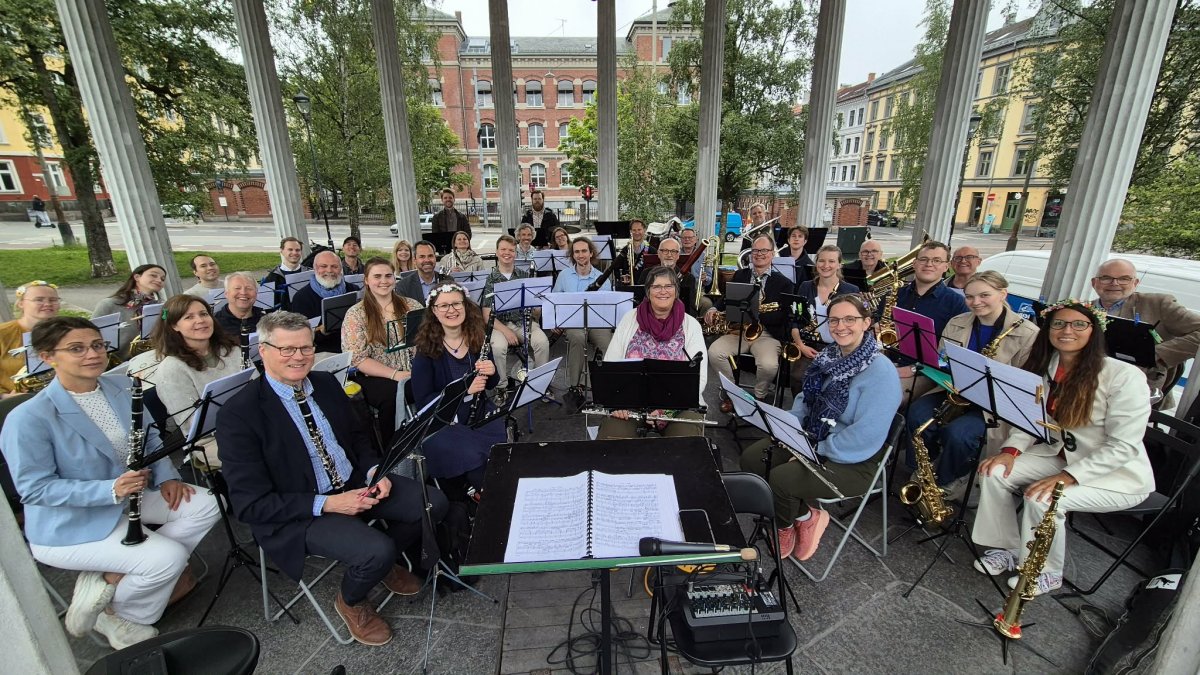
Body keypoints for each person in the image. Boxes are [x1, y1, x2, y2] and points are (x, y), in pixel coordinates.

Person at [218, 311, 445, 646]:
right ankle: (351, 600)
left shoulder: (324, 383)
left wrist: (373, 472)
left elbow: (358, 438)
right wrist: (329, 504)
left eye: (306, 348)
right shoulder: (239, 414)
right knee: (376, 550)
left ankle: (381, 565)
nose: (299, 357)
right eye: (287, 349)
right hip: (300, 511)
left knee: (433, 504)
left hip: (352, 482)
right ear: (263, 351)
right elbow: (251, 505)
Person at [2, 316, 219, 650]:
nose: (92, 354)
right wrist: (109, 489)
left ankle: (114, 588)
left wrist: (167, 477)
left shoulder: (121, 387)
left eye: (97, 345)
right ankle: (125, 616)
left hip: (132, 493)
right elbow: (35, 488)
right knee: (168, 559)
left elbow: (151, 441)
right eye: (77, 348)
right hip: (71, 523)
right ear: (47, 356)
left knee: (208, 504)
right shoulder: (28, 418)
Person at [972, 300, 1154, 596]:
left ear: (1093, 331)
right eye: (1058, 324)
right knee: (995, 472)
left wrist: (1068, 477)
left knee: (1042, 498)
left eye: (1078, 324)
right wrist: (1011, 451)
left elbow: (1123, 446)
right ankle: (1007, 548)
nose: (1067, 330)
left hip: (1117, 476)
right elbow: (1031, 421)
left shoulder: (1124, 376)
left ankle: (1046, 570)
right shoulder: (1048, 367)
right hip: (1061, 456)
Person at [739, 295, 900, 561]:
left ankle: (785, 523)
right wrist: (787, 427)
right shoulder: (829, 355)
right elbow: (805, 399)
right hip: (814, 436)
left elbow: (864, 436)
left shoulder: (881, 373)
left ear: (867, 323)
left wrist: (812, 449)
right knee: (753, 460)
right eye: (834, 320)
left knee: (781, 479)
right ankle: (805, 515)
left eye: (850, 319)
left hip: (855, 458)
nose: (840, 326)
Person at [905, 271, 1038, 501]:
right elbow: (942, 360)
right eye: (969, 297)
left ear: (1003, 294)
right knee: (917, 415)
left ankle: (949, 479)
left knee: (959, 435)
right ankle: (924, 468)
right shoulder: (957, 322)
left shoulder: (1028, 333)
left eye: (984, 295)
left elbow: (1024, 383)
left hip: (993, 404)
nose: (975, 303)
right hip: (953, 390)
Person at [410, 284, 507, 493]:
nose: (451, 310)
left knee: (497, 450)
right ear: (434, 311)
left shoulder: (478, 339)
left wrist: (492, 372)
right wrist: (464, 391)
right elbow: (423, 400)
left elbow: (490, 384)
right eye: (443, 305)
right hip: (443, 421)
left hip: (478, 412)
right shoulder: (425, 351)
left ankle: (491, 495)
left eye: (456, 303)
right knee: (475, 457)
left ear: (465, 306)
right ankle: (484, 500)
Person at [595, 266, 707, 439]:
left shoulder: (691, 325)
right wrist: (617, 403)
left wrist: (666, 412)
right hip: (630, 406)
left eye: (669, 286)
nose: (663, 291)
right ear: (647, 292)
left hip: (680, 406)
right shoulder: (629, 319)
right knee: (613, 441)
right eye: (656, 286)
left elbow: (700, 376)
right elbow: (612, 365)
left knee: (684, 446)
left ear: (676, 291)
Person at [1091, 258, 1200, 406]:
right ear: (1094, 283)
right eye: (1106, 278)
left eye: (1124, 279)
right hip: (1089, 380)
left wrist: (1157, 354)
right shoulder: (1082, 310)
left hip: (1139, 386)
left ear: (1135, 283)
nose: (1114, 283)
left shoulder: (1158, 304)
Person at [341, 258, 422, 445]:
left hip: (412, 368)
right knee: (392, 397)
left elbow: (425, 341)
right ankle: (393, 454)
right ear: (367, 280)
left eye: (388, 276)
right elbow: (357, 358)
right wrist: (395, 374)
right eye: (377, 276)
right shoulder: (356, 314)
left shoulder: (412, 305)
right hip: (376, 375)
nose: (384, 281)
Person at [706, 234, 793, 408]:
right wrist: (714, 308)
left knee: (768, 365)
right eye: (755, 250)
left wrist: (755, 314)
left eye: (764, 250)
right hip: (738, 332)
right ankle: (733, 393)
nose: (759, 254)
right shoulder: (740, 274)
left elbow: (784, 316)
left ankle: (759, 397)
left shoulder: (785, 283)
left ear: (772, 253)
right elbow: (726, 299)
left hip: (767, 335)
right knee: (715, 352)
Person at [146, 295, 246, 432]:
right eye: (189, 317)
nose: (200, 320)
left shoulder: (232, 349)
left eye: (204, 314)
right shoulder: (171, 369)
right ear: (174, 326)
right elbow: (191, 423)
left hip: (250, 425)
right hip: (210, 441)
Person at [887, 240, 968, 404]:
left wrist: (912, 369)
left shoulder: (957, 304)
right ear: (915, 264)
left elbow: (951, 356)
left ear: (946, 267)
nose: (929, 264)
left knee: (888, 396)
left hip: (927, 372)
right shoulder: (896, 294)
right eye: (924, 259)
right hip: (889, 361)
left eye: (937, 260)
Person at [481, 236, 549, 403]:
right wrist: (506, 331)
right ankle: (501, 387)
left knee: (542, 341)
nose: (507, 253)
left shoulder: (525, 276)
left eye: (511, 250)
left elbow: (536, 313)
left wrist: (536, 308)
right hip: (499, 326)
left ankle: (539, 384)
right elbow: (486, 314)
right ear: (497, 252)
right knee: (497, 347)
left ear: (515, 253)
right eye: (503, 249)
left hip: (523, 323)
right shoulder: (491, 279)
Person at [552, 237, 613, 412]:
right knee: (577, 338)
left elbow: (608, 305)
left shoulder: (601, 278)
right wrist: (555, 320)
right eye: (577, 251)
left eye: (584, 251)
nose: (580, 255)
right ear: (573, 255)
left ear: (591, 253)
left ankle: (610, 385)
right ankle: (575, 387)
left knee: (609, 344)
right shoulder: (564, 276)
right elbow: (555, 301)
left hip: (595, 322)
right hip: (573, 322)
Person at [788, 245, 860, 392]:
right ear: (816, 263)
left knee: (833, 383)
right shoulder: (805, 286)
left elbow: (855, 328)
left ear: (839, 264)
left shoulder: (851, 290)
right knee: (798, 378)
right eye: (822, 261)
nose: (826, 265)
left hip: (840, 348)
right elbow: (795, 321)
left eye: (831, 261)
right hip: (809, 346)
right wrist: (801, 346)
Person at [291, 251, 361, 354]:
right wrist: (321, 332)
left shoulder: (353, 289)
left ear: (341, 269)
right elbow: (300, 337)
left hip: (354, 347)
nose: (329, 270)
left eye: (334, 266)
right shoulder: (302, 297)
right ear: (315, 269)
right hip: (322, 352)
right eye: (323, 266)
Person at [0, 280, 61, 396]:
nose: (48, 304)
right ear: (21, 303)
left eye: (53, 300)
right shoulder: (2, 333)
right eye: (39, 300)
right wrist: (4, 397)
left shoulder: (68, 330)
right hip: (14, 402)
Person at [93, 264, 166, 360]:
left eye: (163, 279)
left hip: (149, 360)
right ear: (137, 277)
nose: (159, 280)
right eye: (153, 275)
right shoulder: (109, 304)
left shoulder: (161, 306)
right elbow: (91, 336)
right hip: (117, 362)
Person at [261, 237, 311, 311]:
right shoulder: (271, 277)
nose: (294, 253)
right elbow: (266, 307)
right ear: (282, 251)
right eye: (290, 249)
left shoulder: (310, 273)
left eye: (297, 250)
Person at [213, 272, 266, 339]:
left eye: (249, 288)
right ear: (226, 294)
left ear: (256, 293)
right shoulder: (214, 323)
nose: (243, 292)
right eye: (237, 288)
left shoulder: (266, 320)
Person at [395, 240, 451, 305]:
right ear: (414, 260)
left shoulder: (448, 280)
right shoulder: (403, 286)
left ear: (435, 258)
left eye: (430, 256)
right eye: (422, 256)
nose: (427, 260)